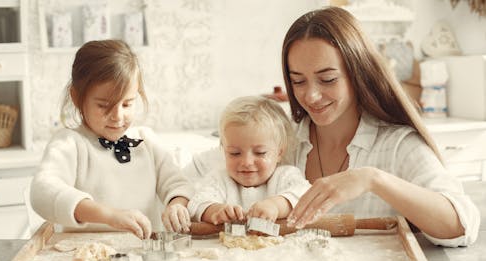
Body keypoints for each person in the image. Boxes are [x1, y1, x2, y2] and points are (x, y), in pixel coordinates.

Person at [184, 7, 479, 247]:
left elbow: (461, 225)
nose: (311, 96)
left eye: (327, 79)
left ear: (357, 73)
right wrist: (179, 202)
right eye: (298, 81)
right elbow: (187, 178)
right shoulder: (281, 138)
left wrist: (372, 180)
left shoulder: (399, 145)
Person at [30, 39, 193, 239]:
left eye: (127, 104)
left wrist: (177, 204)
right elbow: (42, 192)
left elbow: (178, 184)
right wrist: (109, 216)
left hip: (143, 256)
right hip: (86, 256)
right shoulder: (70, 144)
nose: (117, 116)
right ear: (76, 97)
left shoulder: (147, 141)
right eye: (104, 105)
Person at [187, 96, 310, 225]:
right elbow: (196, 204)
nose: (246, 162)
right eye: (235, 153)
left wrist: (275, 206)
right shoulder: (220, 179)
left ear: (279, 152)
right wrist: (216, 211)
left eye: (260, 153)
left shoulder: (286, 175)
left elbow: (303, 195)